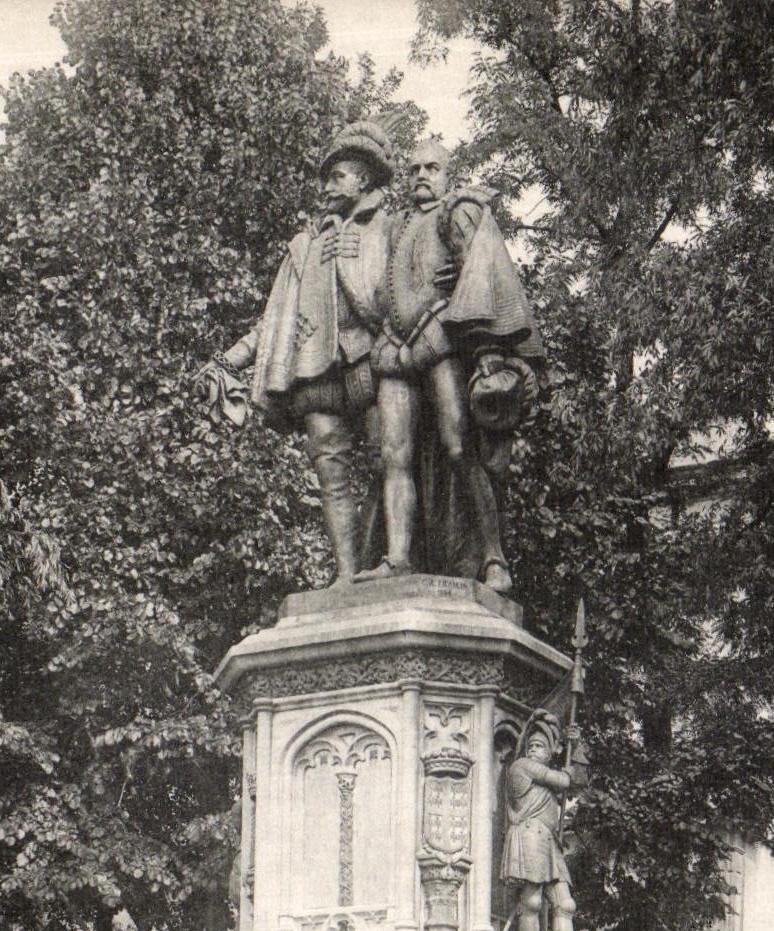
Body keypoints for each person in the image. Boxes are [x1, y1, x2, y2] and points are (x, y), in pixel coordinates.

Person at [201, 120, 394, 583]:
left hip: (373, 360)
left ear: (364, 178)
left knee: (391, 460)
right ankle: (346, 575)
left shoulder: (393, 226)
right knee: (332, 475)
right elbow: (276, 323)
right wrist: (230, 359)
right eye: (326, 178)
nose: (328, 186)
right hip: (317, 372)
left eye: (337, 176)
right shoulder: (304, 247)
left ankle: (389, 560)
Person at [359, 139, 543, 591]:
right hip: (394, 346)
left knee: (460, 447)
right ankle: (398, 557)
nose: (422, 175)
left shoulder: (457, 212)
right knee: (393, 455)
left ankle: (493, 557)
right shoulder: (396, 226)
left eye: (432, 167)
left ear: (447, 173)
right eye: (416, 168)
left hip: (440, 338)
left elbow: (479, 275)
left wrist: (486, 354)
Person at [500, 713, 594, 931]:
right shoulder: (522, 766)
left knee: (565, 903)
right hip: (529, 836)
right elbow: (567, 781)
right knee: (531, 900)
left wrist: (576, 746)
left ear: (551, 751)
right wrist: (568, 766)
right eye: (531, 745)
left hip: (548, 842)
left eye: (540, 746)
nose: (533, 749)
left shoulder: (544, 772)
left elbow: (579, 780)